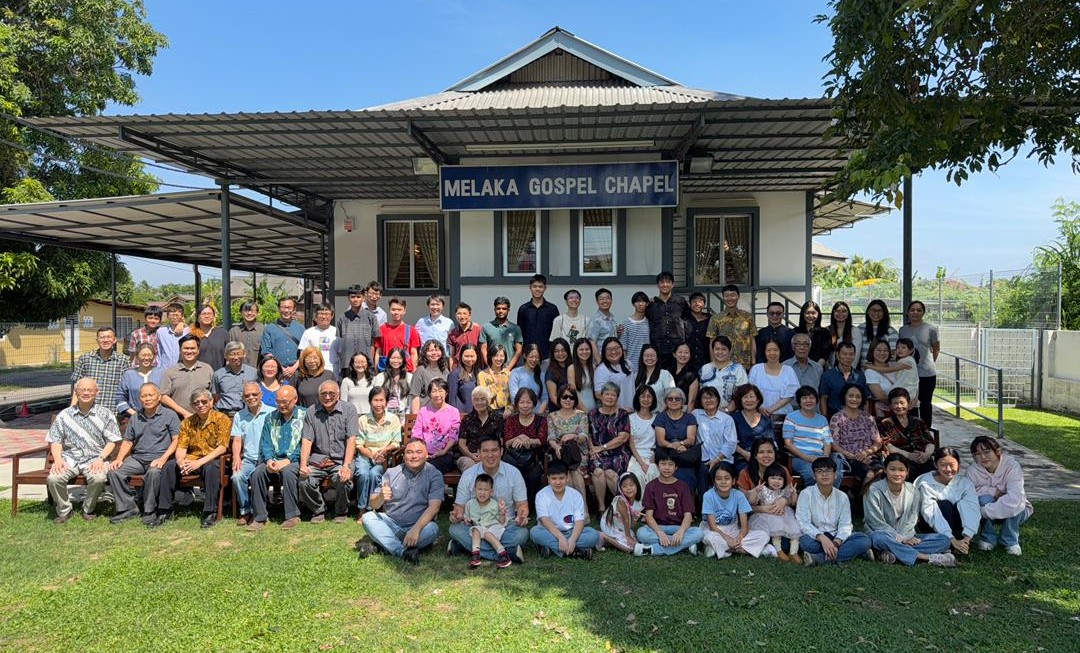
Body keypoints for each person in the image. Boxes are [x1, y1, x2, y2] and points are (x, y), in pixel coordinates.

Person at [47, 378, 123, 523]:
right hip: (70, 458)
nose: (86, 393)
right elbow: (55, 440)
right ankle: (64, 510)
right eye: (82, 390)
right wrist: (57, 460)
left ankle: (88, 508)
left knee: (99, 478)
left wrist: (101, 459)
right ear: (76, 392)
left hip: (96, 458)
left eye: (90, 390)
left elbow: (112, 441)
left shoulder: (106, 414)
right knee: (54, 478)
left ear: (97, 392)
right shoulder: (65, 415)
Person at [358, 439, 443, 564]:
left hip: (418, 526)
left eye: (419, 452)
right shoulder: (391, 473)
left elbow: (434, 507)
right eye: (409, 452)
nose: (414, 456)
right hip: (391, 524)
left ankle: (382, 546)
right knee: (368, 518)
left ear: (426, 455)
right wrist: (380, 496)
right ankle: (403, 551)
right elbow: (373, 504)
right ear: (404, 456)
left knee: (433, 529)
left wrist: (416, 529)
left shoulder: (434, 474)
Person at [107, 382, 180, 526]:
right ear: (140, 399)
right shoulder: (135, 417)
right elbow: (128, 442)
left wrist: (163, 458)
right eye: (143, 396)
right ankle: (128, 508)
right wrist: (119, 459)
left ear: (158, 397)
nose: (147, 399)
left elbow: (177, 440)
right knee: (114, 472)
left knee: (153, 473)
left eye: (150, 395)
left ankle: (149, 510)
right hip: (138, 459)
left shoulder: (170, 415)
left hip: (160, 459)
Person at [864, 454, 956, 567]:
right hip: (882, 533)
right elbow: (875, 522)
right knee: (878, 538)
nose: (897, 474)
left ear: (907, 472)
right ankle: (927, 557)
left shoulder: (913, 491)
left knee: (944, 540)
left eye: (901, 470)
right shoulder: (874, 490)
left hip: (906, 535)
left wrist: (906, 538)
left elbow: (912, 520)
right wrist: (901, 539)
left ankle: (889, 552)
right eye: (892, 469)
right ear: (885, 470)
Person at [449, 434, 530, 563]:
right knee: (455, 529)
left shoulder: (513, 473)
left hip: (504, 525)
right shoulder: (469, 475)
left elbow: (522, 505)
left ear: (501, 451)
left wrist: (521, 517)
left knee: (522, 534)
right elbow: (460, 507)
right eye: (485, 451)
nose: (490, 455)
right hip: (475, 525)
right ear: (478, 453)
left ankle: (469, 548)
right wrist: (456, 516)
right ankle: (504, 553)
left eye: (494, 450)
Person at [246, 385, 306, 531]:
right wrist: (269, 460)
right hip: (274, 459)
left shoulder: (305, 416)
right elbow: (265, 443)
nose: (281, 405)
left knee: (289, 472)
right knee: (258, 473)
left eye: (285, 402)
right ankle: (260, 517)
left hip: (296, 460)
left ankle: (292, 516)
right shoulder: (270, 417)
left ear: (295, 399)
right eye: (278, 402)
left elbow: (306, 442)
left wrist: (289, 460)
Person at [796, 456, 873, 566]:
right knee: (806, 543)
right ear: (814, 476)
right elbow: (803, 522)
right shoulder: (806, 494)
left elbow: (845, 524)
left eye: (828, 471)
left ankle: (819, 559)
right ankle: (852, 553)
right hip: (816, 538)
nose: (824, 474)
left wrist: (836, 542)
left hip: (837, 536)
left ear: (835, 475)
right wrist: (821, 538)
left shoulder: (842, 496)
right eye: (819, 471)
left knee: (864, 539)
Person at [299, 380, 358, 523]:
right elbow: (307, 440)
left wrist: (346, 466)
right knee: (304, 481)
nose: (327, 397)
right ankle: (318, 510)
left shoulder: (349, 409)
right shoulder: (311, 412)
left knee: (343, 478)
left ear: (338, 394)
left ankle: (341, 510)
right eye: (323, 393)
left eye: (331, 393)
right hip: (319, 460)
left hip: (341, 460)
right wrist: (303, 465)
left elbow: (351, 439)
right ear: (319, 395)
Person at [176, 387, 232, 528]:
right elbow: (181, 447)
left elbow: (222, 447)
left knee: (211, 468)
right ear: (192, 406)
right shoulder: (187, 422)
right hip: (192, 460)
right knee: (170, 467)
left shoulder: (222, 419)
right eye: (196, 403)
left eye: (203, 401)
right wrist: (180, 461)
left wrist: (198, 463)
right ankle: (163, 509)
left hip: (213, 459)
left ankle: (209, 511)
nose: (200, 405)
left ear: (211, 402)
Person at [967, 436, 1033, 555]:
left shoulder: (1012, 466)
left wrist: (983, 511)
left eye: (987, 452)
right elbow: (969, 493)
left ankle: (1010, 541)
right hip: (988, 507)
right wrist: (994, 492)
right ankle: (988, 538)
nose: (982, 457)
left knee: (1014, 504)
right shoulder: (973, 470)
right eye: (978, 454)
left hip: (1017, 511)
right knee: (983, 499)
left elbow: (1015, 499)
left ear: (998, 452)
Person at [635, 450, 704, 556]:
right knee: (641, 533)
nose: (667, 468)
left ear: (676, 467)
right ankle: (685, 546)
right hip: (658, 527)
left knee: (699, 533)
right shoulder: (651, 486)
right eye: (663, 464)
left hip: (678, 526)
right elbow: (649, 517)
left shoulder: (683, 486)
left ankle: (652, 550)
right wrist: (660, 533)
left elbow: (688, 515)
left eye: (670, 464)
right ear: (657, 465)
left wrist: (681, 532)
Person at [914, 447, 981, 555]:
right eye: (943, 465)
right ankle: (949, 543)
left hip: (957, 528)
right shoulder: (926, 483)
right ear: (935, 465)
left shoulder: (965, 483)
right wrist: (951, 538)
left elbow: (973, 509)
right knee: (944, 504)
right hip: (932, 525)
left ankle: (961, 542)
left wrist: (967, 538)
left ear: (959, 464)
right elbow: (930, 513)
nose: (948, 469)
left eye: (952, 465)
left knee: (963, 504)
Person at [530, 460, 599, 559]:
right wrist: (561, 537)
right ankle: (574, 551)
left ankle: (554, 548)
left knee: (593, 535)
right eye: (554, 478)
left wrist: (572, 540)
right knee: (534, 532)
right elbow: (544, 520)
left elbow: (579, 521)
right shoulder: (542, 495)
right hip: (550, 531)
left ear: (567, 478)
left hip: (571, 531)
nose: (558, 482)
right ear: (548, 479)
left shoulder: (575, 495)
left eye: (561, 478)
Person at [701, 461, 770, 559]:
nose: (723, 482)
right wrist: (728, 539)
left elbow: (744, 525)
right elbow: (713, 527)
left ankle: (723, 550)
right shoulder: (708, 495)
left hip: (733, 529)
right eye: (719, 479)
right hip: (714, 530)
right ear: (714, 482)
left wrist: (739, 539)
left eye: (727, 478)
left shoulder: (739, 495)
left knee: (763, 535)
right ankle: (753, 550)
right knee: (710, 537)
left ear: (733, 481)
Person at [229, 381, 274, 526]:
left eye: (255, 394)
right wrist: (236, 457)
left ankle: (259, 511)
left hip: (266, 459)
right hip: (248, 458)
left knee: (256, 476)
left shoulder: (272, 412)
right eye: (247, 395)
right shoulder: (239, 416)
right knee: (237, 476)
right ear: (243, 398)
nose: (251, 397)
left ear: (261, 395)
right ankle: (246, 511)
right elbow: (237, 440)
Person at [355, 386, 402, 519]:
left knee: (375, 473)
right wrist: (371, 455)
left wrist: (384, 451)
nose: (378, 404)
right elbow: (359, 444)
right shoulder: (363, 420)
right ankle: (361, 509)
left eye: (381, 400)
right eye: (375, 400)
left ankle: (371, 508)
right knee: (363, 474)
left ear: (386, 402)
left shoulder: (393, 419)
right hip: (365, 454)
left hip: (384, 455)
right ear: (370, 402)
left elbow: (396, 442)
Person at [829, 383, 884, 489]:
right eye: (851, 396)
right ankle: (861, 502)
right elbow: (834, 445)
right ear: (844, 397)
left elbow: (878, 442)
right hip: (848, 458)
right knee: (870, 474)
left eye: (858, 396)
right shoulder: (837, 418)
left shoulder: (868, 418)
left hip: (868, 456)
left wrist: (865, 453)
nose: (854, 399)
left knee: (881, 471)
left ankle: (857, 497)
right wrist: (853, 456)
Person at [588, 381, 633, 510]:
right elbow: (588, 434)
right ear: (601, 396)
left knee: (610, 473)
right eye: (606, 394)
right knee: (597, 472)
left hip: (618, 453)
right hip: (598, 454)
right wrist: (592, 449)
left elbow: (623, 437)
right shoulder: (592, 414)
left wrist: (602, 447)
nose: (609, 397)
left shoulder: (622, 414)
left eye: (613, 395)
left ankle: (622, 507)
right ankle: (602, 508)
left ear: (617, 397)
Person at [745, 463, 801, 562]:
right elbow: (752, 502)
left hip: (784, 515)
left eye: (780, 479)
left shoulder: (784, 491)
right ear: (767, 479)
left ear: (784, 481)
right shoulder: (763, 490)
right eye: (773, 478)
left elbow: (792, 502)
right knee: (776, 531)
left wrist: (793, 493)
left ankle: (794, 552)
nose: (776, 481)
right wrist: (756, 491)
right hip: (767, 516)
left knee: (795, 531)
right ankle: (779, 551)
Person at [899, 300, 940, 426]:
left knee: (925, 403)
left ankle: (926, 431)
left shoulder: (931, 329)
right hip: (909, 372)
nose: (915, 312)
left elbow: (936, 349)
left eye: (919, 310)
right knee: (910, 403)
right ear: (908, 312)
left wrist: (927, 363)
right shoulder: (903, 330)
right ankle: (913, 430)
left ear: (923, 312)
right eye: (912, 310)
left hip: (926, 373)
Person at [879, 387, 936, 477]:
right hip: (901, 462)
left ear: (908, 404)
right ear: (890, 406)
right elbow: (887, 445)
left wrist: (926, 454)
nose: (899, 406)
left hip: (923, 459)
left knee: (933, 476)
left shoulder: (918, 421)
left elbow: (930, 441)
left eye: (902, 403)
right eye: (895, 403)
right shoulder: (886, 423)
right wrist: (909, 455)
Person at [652, 386, 699, 492]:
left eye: (677, 399)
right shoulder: (661, 417)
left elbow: (691, 439)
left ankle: (688, 507)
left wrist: (682, 443)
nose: (674, 401)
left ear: (683, 402)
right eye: (670, 399)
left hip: (684, 456)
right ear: (666, 402)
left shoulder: (689, 417)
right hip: (666, 454)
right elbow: (661, 440)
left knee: (687, 479)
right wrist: (674, 446)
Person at [782, 386, 834, 484]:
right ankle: (811, 498)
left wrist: (825, 459)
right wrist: (807, 458)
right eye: (804, 398)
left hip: (820, 458)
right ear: (799, 401)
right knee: (812, 475)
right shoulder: (791, 417)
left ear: (816, 400)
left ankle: (826, 498)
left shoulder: (822, 419)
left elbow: (827, 442)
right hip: (799, 458)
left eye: (811, 398)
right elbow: (788, 444)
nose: (808, 400)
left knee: (834, 475)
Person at [503, 387, 547, 500]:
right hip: (514, 457)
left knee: (534, 474)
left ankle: (528, 504)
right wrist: (518, 438)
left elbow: (541, 440)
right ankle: (512, 503)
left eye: (528, 402)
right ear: (517, 404)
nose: (525, 405)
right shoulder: (511, 420)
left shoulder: (540, 420)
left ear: (533, 403)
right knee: (510, 471)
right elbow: (507, 441)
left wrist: (529, 440)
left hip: (534, 458)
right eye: (522, 402)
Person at [547, 386, 589, 498]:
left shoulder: (581, 415)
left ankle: (583, 510)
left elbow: (584, 436)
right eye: (564, 397)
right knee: (566, 475)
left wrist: (573, 436)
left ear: (575, 400)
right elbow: (551, 437)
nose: (568, 400)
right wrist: (556, 447)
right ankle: (569, 510)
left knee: (576, 471)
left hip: (579, 453)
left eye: (571, 397)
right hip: (561, 452)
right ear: (559, 399)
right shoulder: (552, 416)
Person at [71, 326, 126, 412]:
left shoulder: (123, 361)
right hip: (89, 411)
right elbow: (76, 387)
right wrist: (72, 409)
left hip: (114, 412)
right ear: (97, 340)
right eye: (102, 337)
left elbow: (127, 388)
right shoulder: (85, 359)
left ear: (115, 340)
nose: (105, 340)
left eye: (108, 337)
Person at [411, 378, 460, 473]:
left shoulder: (453, 411)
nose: (437, 394)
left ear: (446, 393)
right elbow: (417, 434)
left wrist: (444, 451)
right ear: (429, 394)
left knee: (429, 468)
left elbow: (453, 435)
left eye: (441, 391)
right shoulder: (423, 411)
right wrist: (423, 452)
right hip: (423, 454)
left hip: (445, 454)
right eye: (434, 391)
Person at [693, 386, 738, 489]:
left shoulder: (727, 419)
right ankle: (703, 503)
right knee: (702, 473)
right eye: (705, 398)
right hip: (703, 460)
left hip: (723, 459)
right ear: (700, 401)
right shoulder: (695, 414)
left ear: (717, 400)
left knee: (722, 474)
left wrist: (717, 460)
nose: (708, 400)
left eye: (711, 397)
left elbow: (730, 443)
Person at [464, 474, 513, 568]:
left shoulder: (494, 504)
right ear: (475, 490)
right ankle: (475, 555)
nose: (482, 493)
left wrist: (502, 513)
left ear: (491, 491)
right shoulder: (470, 504)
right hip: (480, 528)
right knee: (475, 529)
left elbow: (501, 522)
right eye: (479, 489)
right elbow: (468, 519)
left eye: (486, 490)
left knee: (487, 534)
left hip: (494, 528)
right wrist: (466, 520)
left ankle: (504, 555)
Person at [159, 334, 213, 419]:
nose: (189, 351)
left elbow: (213, 394)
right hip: (177, 418)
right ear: (180, 350)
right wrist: (184, 413)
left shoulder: (207, 369)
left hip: (203, 418)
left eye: (192, 348)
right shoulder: (170, 371)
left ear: (198, 350)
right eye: (186, 348)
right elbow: (163, 397)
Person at [705, 284, 757, 370]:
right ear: (723, 297)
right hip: (723, 364)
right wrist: (713, 363)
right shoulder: (715, 319)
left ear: (738, 296)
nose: (730, 298)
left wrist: (754, 363)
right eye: (727, 296)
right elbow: (712, 343)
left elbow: (752, 340)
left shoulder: (748, 317)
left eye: (733, 295)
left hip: (744, 365)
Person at [646, 271, 690, 370]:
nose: (665, 284)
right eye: (662, 282)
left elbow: (688, 320)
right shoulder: (652, 305)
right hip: (658, 348)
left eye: (668, 282)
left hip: (677, 348)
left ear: (672, 284)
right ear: (658, 285)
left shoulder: (680, 301)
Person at [456, 386, 504, 472]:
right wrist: (470, 455)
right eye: (476, 399)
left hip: (491, 455)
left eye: (483, 399)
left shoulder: (497, 418)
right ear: (472, 401)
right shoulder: (467, 419)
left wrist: (487, 455)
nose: (479, 402)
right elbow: (461, 443)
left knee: (495, 464)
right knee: (469, 465)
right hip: (470, 456)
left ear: (488, 401)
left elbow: (500, 441)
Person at [748, 339, 799, 418]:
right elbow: (749, 391)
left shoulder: (788, 370)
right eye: (768, 350)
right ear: (764, 352)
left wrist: (770, 410)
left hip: (783, 415)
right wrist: (758, 407)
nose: (772, 353)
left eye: (775, 350)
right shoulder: (756, 369)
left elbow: (790, 395)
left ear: (780, 351)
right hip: (757, 414)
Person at [336, 285, 379, 376]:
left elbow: (373, 343)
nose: (355, 299)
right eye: (352, 297)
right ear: (348, 298)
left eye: (358, 297)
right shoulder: (342, 318)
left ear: (363, 298)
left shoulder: (371, 317)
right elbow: (339, 343)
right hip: (347, 364)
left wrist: (371, 362)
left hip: (366, 364)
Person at [819, 342, 868, 417]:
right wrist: (825, 418)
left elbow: (865, 400)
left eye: (851, 354)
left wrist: (865, 418)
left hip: (856, 418)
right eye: (844, 354)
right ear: (837, 355)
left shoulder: (860, 375)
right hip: (834, 417)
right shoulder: (827, 375)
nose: (848, 357)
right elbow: (823, 398)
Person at [260, 297, 304, 380]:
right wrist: (280, 367)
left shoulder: (301, 328)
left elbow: (304, 351)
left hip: (297, 372)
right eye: (283, 307)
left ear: (294, 309)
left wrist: (294, 368)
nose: (286, 311)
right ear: (279, 309)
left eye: (289, 308)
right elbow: (266, 352)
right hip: (276, 372)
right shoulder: (269, 328)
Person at [517, 273, 560, 359]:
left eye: (540, 286)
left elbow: (556, 333)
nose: (537, 289)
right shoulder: (523, 309)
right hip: (528, 355)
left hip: (547, 355)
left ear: (545, 288)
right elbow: (520, 334)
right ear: (530, 288)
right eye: (534, 286)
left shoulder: (552, 309)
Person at [116, 343, 164, 419]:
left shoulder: (161, 373)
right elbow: (119, 398)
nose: (146, 358)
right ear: (137, 357)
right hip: (133, 417)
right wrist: (134, 414)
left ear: (154, 357)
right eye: (143, 355)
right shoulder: (129, 375)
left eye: (149, 355)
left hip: (158, 417)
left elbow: (166, 396)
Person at [699, 335, 747, 411]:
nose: (720, 352)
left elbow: (742, 394)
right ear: (712, 350)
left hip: (731, 414)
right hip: (707, 414)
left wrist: (726, 410)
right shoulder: (705, 369)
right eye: (717, 349)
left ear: (730, 351)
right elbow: (700, 394)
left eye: (724, 349)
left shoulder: (738, 369)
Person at [730, 384, 773, 468]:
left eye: (751, 396)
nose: (749, 400)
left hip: (763, 457)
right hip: (742, 457)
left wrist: (762, 456)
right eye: (745, 397)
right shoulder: (733, 418)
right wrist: (746, 454)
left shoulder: (765, 419)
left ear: (757, 400)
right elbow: (730, 442)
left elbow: (770, 441)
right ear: (740, 400)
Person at [211, 341, 258, 416]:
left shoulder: (253, 373)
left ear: (244, 354)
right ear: (225, 356)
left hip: (247, 415)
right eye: (232, 354)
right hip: (224, 415)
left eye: (238, 354)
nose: (236, 357)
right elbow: (216, 396)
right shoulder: (218, 374)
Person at [600, 472, 643, 553]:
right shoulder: (620, 500)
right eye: (624, 486)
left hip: (622, 526)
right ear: (620, 489)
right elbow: (626, 519)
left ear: (637, 485)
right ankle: (604, 536)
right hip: (610, 525)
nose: (628, 488)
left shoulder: (638, 503)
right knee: (629, 549)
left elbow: (631, 526)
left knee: (636, 545)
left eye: (631, 485)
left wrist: (635, 518)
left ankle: (612, 541)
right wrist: (628, 536)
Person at [627, 385, 659, 487]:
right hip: (636, 456)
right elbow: (631, 443)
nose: (646, 399)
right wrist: (642, 464)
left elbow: (659, 442)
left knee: (654, 475)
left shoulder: (657, 418)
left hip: (652, 456)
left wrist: (652, 459)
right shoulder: (631, 418)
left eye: (649, 396)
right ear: (638, 398)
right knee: (637, 477)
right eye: (643, 396)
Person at [377, 298, 421, 372]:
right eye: (393, 309)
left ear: (404, 311)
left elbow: (413, 353)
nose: (396, 312)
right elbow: (378, 352)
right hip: (387, 370)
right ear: (389, 310)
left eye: (399, 309)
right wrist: (376, 370)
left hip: (406, 370)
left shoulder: (411, 330)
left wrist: (414, 370)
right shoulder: (382, 329)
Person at [480, 296, 523, 370]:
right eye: (498, 308)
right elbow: (483, 349)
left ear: (508, 310)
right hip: (491, 371)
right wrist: (490, 367)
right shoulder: (486, 327)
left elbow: (518, 351)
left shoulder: (515, 328)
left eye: (504, 309)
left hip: (510, 371)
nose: (501, 311)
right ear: (494, 309)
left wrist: (508, 369)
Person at [410, 339, 451, 412]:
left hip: (442, 412)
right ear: (425, 353)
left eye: (437, 350)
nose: (434, 353)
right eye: (430, 351)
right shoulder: (420, 371)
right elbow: (415, 396)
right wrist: (415, 417)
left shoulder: (445, 371)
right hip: (425, 412)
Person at [593, 337, 634, 411]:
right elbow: (599, 394)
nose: (613, 352)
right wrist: (619, 409)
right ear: (604, 352)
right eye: (609, 349)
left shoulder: (628, 364)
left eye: (617, 348)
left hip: (631, 410)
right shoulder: (601, 370)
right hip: (615, 413)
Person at [509, 343, 548, 415]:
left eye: (537, 357)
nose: (534, 359)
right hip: (520, 415)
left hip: (537, 414)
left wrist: (539, 415)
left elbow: (545, 397)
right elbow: (514, 397)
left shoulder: (541, 375)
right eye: (531, 357)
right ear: (525, 356)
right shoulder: (515, 373)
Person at [373, 348, 412, 417]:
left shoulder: (409, 377)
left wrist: (408, 414)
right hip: (385, 413)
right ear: (388, 359)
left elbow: (411, 398)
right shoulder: (380, 377)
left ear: (403, 360)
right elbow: (376, 397)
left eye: (399, 358)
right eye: (393, 358)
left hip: (403, 412)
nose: (396, 361)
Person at [298, 303, 338, 371]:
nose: (324, 317)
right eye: (321, 314)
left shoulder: (337, 332)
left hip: (333, 371)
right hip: (314, 371)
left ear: (332, 316)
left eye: (327, 314)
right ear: (315, 316)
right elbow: (303, 353)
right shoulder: (308, 332)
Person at [859, 299, 898, 368]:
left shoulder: (891, 332)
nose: (876, 313)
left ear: (884, 313)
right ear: (868, 311)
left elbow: (892, 356)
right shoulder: (859, 329)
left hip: (883, 372)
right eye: (873, 310)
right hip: (862, 372)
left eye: (880, 311)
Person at [620, 291, 652, 373]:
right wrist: (625, 365)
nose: (640, 304)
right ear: (633, 304)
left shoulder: (650, 322)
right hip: (631, 365)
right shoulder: (626, 323)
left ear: (647, 304)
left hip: (648, 363)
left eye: (643, 301)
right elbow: (623, 348)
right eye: (638, 301)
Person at [792, 301, 831, 366]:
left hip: (818, 368)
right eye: (807, 313)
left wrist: (816, 368)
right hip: (798, 367)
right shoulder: (795, 331)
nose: (810, 316)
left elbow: (825, 355)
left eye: (813, 313)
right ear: (803, 314)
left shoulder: (824, 332)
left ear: (818, 314)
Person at [191, 304, 229, 369]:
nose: (207, 316)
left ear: (214, 317)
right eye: (204, 314)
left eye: (210, 314)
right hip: (198, 375)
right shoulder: (192, 335)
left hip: (219, 374)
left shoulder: (222, 333)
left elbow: (229, 354)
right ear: (198, 317)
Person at [229, 300, 265, 367]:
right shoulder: (234, 332)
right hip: (238, 372)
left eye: (252, 311)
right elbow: (230, 353)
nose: (249, 313)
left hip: (259, 373)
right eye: (246, 310)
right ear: (241, 312)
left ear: (257, 313)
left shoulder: (264, 330)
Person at [477, 344, 511, 413]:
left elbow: (513, 396)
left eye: (501, 356)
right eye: (495, 355)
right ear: (490, 357)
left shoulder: (508, 374)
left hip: (506, 413)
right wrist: (495, 385)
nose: (499, 358)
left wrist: (510, 409)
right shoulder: (482, 375)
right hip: (489, 413)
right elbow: (483, 397)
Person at [448, 302, 482, 369]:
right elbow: (452, 355)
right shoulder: (452, 333)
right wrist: (452, 371)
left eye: (464, 313)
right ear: (455, 315)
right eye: (459, 314)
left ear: (469, 315)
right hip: (458, 368)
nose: (462, 316)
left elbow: (482, 350)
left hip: (475, 367)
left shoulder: (478, 329)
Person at [586, 287, 617, 360]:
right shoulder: (596, 320)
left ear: (611, 300)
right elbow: (592, 342)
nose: (605, 301)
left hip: (612, 358)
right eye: (601, 299)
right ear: (597, 302)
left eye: (608, 298)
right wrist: (599, 362)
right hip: (601, 360)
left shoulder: (612, 319)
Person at [447, 344, 480, 413]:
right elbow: (452, 400)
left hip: (478, 414)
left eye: (472, 356)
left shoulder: (480, 373)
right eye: (466, 356)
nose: (469, 359)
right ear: (461, 356)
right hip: (462, 415)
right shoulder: (454, 375)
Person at [826, 301, 860, 368]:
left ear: (848, 313)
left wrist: (848, 371)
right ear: (833, 312)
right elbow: (825, 354)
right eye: (837, 311)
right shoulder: (827, 330)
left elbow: (856, 354)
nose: (840, 313)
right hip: (831, 370)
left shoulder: (855, 331)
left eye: (844, 311)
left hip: (849, 371)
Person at [341, 352, 376, 416]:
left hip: (370, 417)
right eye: (357, 362)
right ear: (352, 364)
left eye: (363, 362)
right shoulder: (346, 381)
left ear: (367, 363)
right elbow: (343, 404)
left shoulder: (374, 380)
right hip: (352, 417)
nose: (360, 365)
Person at [567, 338, 597, 412]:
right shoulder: (571, 368)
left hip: (594, 408)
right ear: (576, 351)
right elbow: (573, 393)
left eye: (587, 349)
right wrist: (585, 411)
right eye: (581, 349)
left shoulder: (593, 367)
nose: (584, 352)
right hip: (578, 410)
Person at [157, 302, 189, 370]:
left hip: (182, 369)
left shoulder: (187, 331)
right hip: (165, 369)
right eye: (172, 315)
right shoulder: (161, 332)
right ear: (167, 316)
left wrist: (182, 324)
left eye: (177, 315)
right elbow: (159, 351)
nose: (174, 317)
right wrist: (158, 368)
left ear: (182, 316)